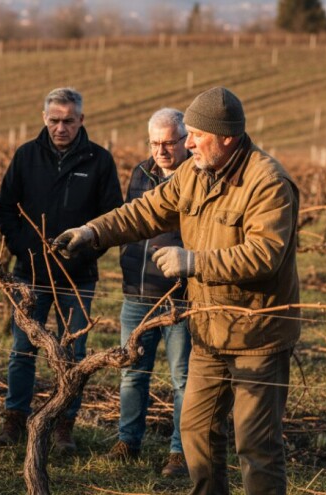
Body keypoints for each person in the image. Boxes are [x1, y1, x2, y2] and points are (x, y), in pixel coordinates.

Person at [55, 87, 300, 495]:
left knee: (256, 447)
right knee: (197, 433)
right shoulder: (195, 173)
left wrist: (193, 262)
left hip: (258, 336)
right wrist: (92, 231)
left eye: (196, 135)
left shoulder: (268, 182)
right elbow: (146, 210)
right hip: (208, 329)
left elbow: (265, 255)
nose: (187, 144)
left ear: (226, 137)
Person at [0, 87, 123, 454]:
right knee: (22, 349)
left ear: (81, 120)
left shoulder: (100, 161)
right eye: (54, 120)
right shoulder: (26, 156)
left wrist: (83, 253)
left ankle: (64, 425)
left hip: (77, 277)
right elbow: (6, 209)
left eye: (68, 121)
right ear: (44, 119)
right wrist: (27, 249)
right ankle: (14, 419)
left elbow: (113, 218)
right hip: (29, 273)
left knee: (74, 353)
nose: (60, 127)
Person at [104, 108, 192, 478]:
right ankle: (128, 440)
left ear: (186, 140)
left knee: (182, 379)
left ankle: (181, 452)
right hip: (138, 292)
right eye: (155, 143)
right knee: (132, 372)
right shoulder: (141, 174)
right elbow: (131, 220)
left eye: (169, 142)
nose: (161, 150)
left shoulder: (198, 176)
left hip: (181, 297)